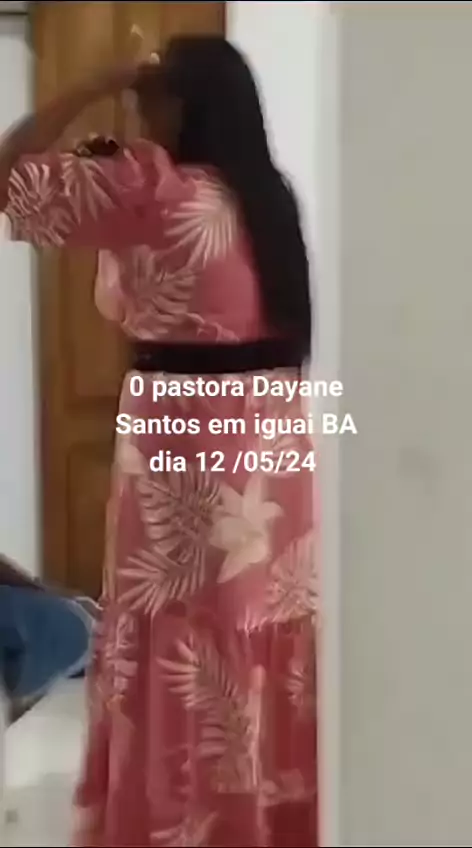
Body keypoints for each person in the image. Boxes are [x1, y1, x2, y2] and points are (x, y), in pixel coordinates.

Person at [0, 35, 318, 847]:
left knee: (180, 624)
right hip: (271, 431)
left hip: (184, 432)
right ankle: (262, 816)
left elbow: (9, 170)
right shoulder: (268, 196)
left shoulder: (156, 189)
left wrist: (98, 80)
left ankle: (179, 823)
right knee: (256, 619)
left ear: (183, 104)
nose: (143, 110)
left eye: (152, 95)